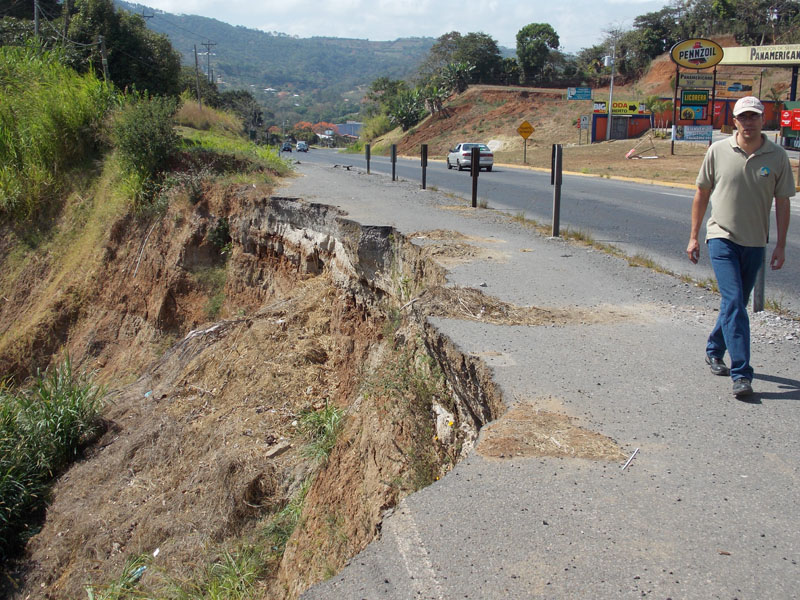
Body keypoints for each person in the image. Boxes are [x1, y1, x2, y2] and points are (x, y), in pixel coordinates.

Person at [687, 96, 794, 398]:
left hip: (755, 242)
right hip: (721, 237)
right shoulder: (718, 150)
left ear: (763, 120)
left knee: (736, 304)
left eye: (754, 117)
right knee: (734, 301)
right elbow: (701, 193)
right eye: (743, 117)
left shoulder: (777, 156)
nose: (748, 123)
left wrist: (781, 244)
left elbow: (783, 202)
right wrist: (694, 236)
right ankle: (742, 374)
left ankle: (713, 348)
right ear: (734, 121)